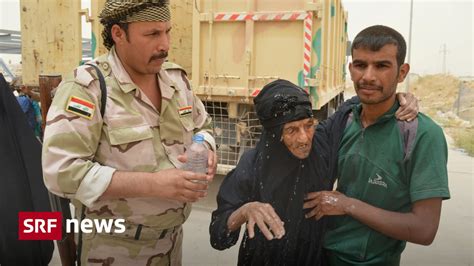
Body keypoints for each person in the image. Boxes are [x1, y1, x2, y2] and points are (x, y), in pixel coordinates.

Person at [42, 0, 217, 264]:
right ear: (118, 34)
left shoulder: (177, 81)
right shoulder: (89, 88)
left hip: (171, 245)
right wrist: (155, 185)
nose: (165, 45)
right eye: (152, 34)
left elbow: (203, 126)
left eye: (167, 31)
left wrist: (204, 144)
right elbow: (60, 171)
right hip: (113, 250)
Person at [209, 79, 418, 265]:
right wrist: (245, 211)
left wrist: (401, 98)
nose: (304, 138)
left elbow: (361, 102)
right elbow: (218, 235)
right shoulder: (252, 164)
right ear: (274, 135)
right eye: (291, 130)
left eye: (308, 125)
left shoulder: (323, 144)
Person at [304, 25, 450, 266]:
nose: (368, 76)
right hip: (320, 255)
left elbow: (424, 230)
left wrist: (347, 205)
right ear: (350, 70)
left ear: (402, 73)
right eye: (360, 65)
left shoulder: (422, 135)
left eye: (382, 66)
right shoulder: (343, 121)